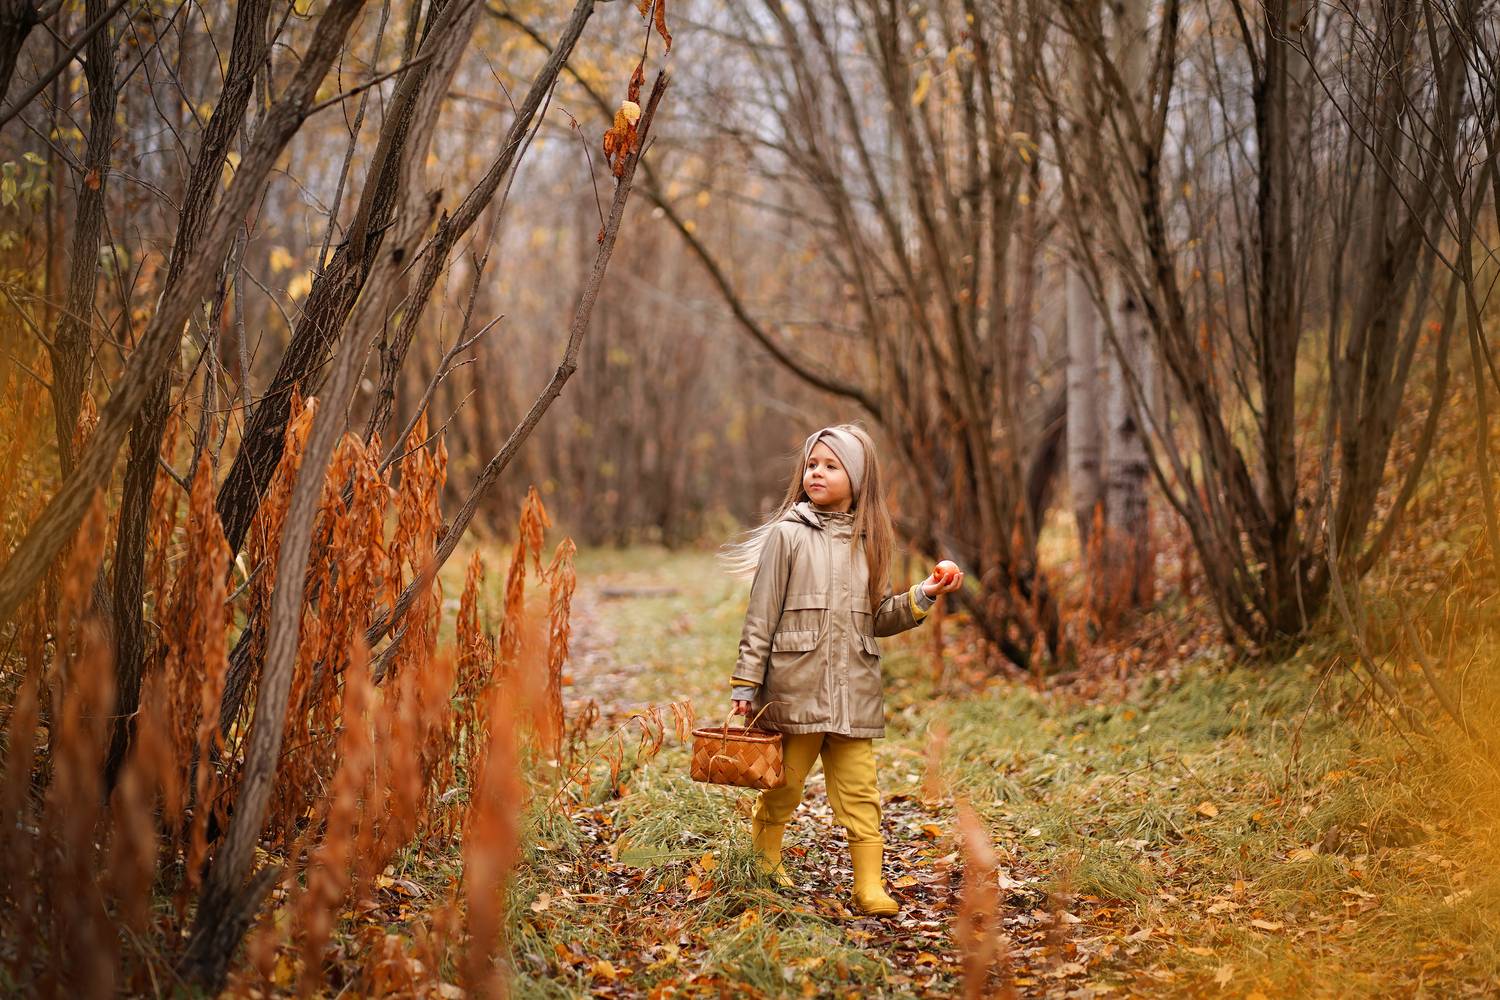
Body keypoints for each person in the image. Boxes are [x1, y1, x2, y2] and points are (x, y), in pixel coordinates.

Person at [719, 424, 963, 916]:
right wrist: (746, 685)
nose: (817, 473)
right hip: (795, 690)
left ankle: (868, 886)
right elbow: (761, 616)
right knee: (784, 785)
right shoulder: (788, 535)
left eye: (831, 466)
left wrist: (924, 594)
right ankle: (764, 862)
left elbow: (878, 617)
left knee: (861, 793)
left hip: (854, 692)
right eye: (812, 464)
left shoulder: (869, 541)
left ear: (857, 477)